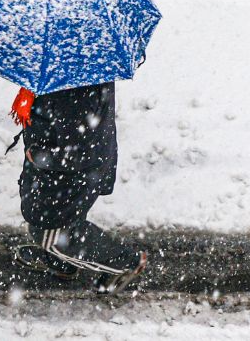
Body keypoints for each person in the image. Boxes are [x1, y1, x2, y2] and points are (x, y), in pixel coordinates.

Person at [10, 82, 148, 292]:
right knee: (52, 215)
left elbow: (79, 152)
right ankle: (63, 262)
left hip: (69, 174)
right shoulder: (78, 69)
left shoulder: (72, 92)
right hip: (66, 170)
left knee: (51, 231)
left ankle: (125, 262)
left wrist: (41, 156)